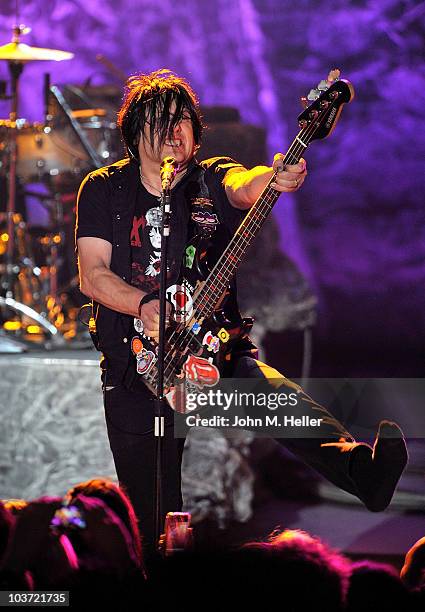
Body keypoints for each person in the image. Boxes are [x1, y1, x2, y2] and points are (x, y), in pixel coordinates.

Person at [76, 69, 408, 555]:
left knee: (287, 408)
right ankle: (161, 582)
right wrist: (144, 305)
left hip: (210, 358)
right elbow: (93, 274)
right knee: (155, 514)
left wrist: (274, 176)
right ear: (133, 133)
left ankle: (363, 473)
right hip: (135, 370)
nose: (174, 131)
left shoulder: (208, 177)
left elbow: (244, 185)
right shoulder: (104, 188)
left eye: (184, 121)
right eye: (160, 121)